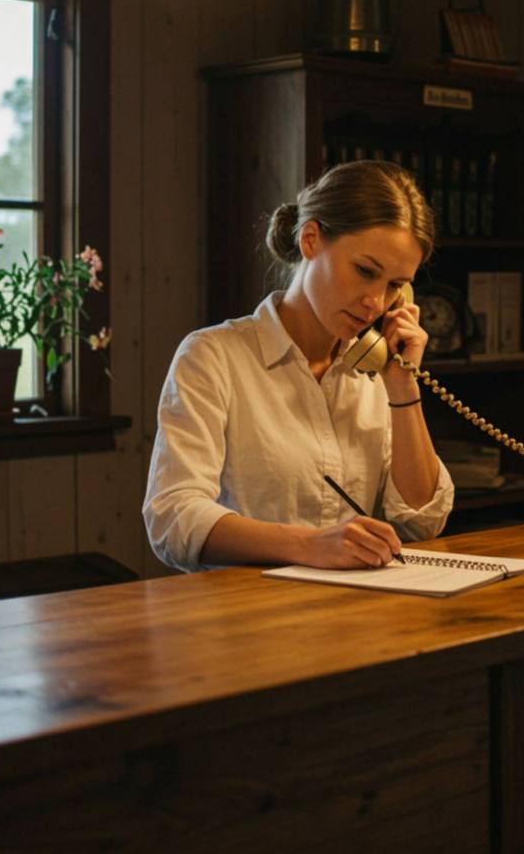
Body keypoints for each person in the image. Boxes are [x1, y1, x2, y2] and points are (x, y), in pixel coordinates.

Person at [143, 160, 454, 572]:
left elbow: (421, 521)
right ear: (311, 240)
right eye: (365, 271)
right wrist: (310, 545)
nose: (376, 302)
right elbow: (173, 517)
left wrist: (403, 387)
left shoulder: (377, 372)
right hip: (245, 619)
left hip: (358, 619)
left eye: (395, 285)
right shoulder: (211, 357)